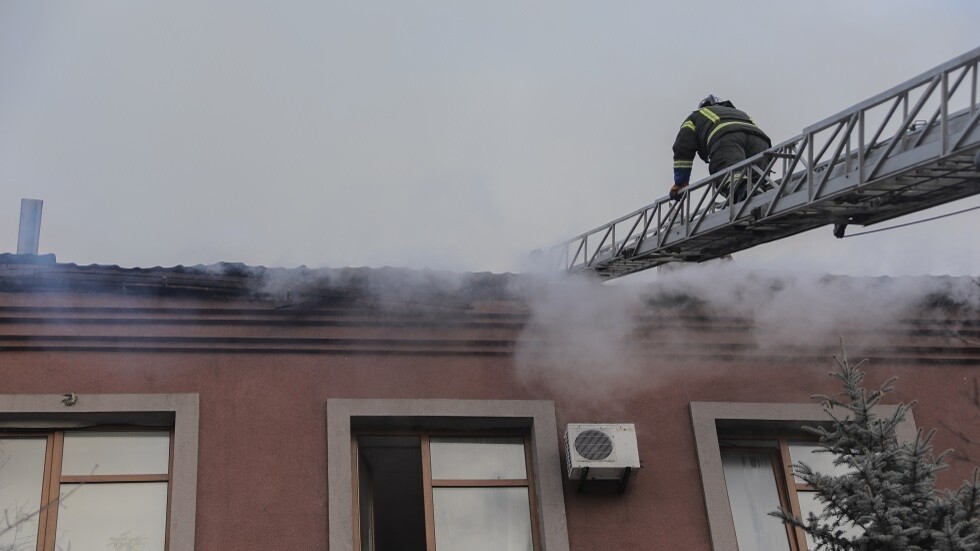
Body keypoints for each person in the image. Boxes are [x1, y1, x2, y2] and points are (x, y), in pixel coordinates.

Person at [669, 94, 772, 203]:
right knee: (757, 183)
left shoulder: (696, 116)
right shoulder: (741, 113)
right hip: (761, 142)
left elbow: (683, 148)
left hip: (727, 138)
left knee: (730, 177)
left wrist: (680, 182)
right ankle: (759, 199)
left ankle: (744, 197)